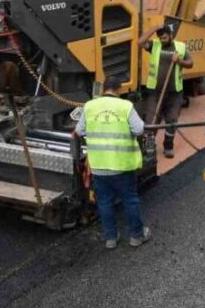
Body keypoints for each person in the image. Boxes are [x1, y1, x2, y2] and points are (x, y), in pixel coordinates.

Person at [74, 76, 150, 250]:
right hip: (122, 166)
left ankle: (110, 239)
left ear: (103, 89)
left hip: (99, 167)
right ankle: (136, 237)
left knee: (105, 203)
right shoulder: (125, 106)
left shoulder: (89, 106)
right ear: (119, 89)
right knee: (130, 200)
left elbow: (78, 131)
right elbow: (139, 130)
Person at [139, 24, 193, 158]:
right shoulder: (154, 45)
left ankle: (168, 145)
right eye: (160, 37)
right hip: (155, 91)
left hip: (175, 92)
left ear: (171, 35)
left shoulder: (180, 47)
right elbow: (140, 43)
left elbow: (191, 63)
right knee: (151, 121)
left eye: (164, 37)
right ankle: (150, 145)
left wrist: (179, 60)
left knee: (172, 119)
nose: (162, 40)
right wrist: (154, 28)